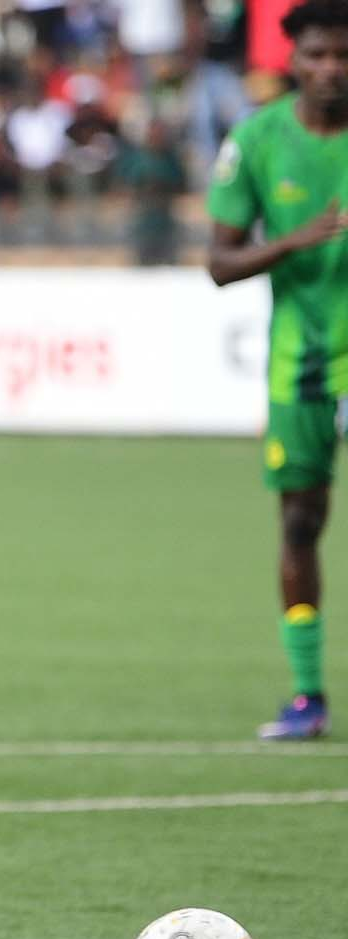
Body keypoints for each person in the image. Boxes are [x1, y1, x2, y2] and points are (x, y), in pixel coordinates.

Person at [207, 0, 348, 740]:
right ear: (292, 59)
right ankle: (307, 695)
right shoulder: (257, 140)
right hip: (301, 366)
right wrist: (296, 239)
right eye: (318, 55)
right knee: (300, 520)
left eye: (343, 56)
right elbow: (219, 263)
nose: (331, 69)